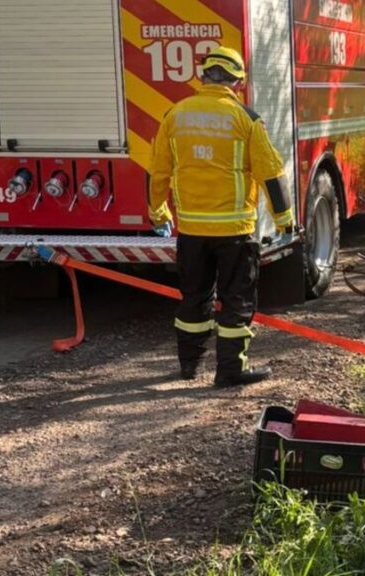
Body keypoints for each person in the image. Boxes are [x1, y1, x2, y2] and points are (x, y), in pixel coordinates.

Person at [147, 46, 294, 388]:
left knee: (194, 297)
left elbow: (157, 172)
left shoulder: (175, 114)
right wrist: (284, 219)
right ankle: (230, 370)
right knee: (236, 300)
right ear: (237, 82)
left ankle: (189, 365)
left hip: (192, 231)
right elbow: (270, 174)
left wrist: (158, 212)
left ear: (203, 77)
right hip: (235, 232)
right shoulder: (246, 119)